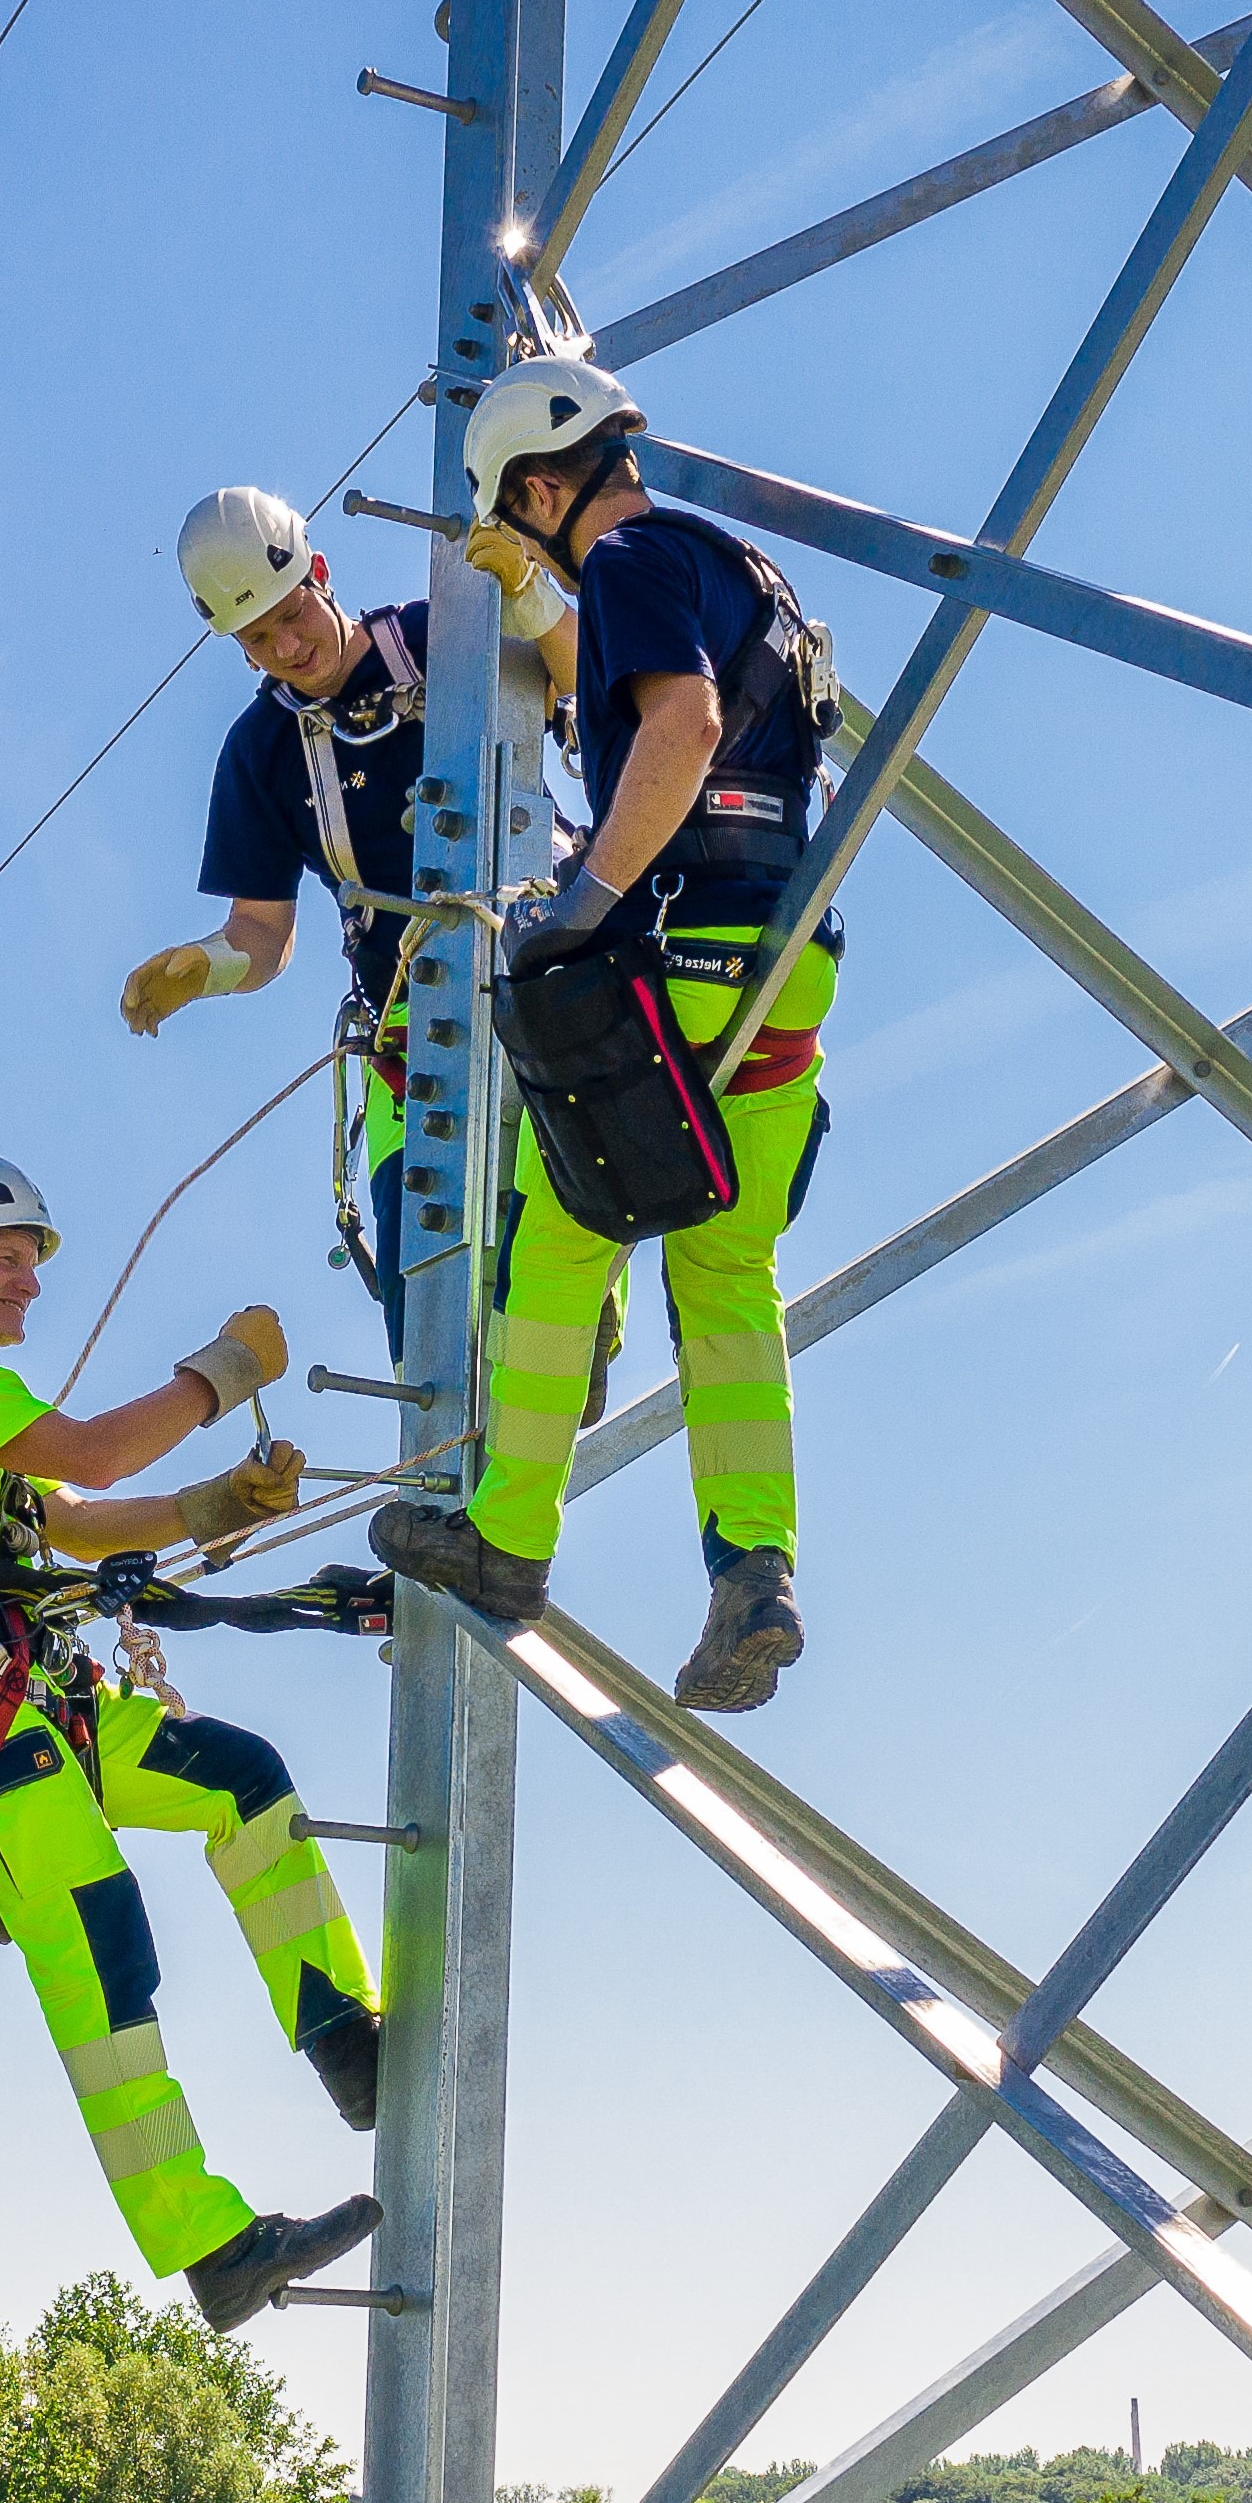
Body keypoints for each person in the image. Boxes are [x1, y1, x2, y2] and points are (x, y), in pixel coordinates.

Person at [0, 1152, 387, 2335]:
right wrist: (222, 1372)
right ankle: (207, 2240)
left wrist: (209, 1507)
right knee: (95, 1933)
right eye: (5, 1256)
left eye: (28, 1261)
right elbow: (94, 1458)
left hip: (28, 1690)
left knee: (241, 1778)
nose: (27, 1281)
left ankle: (343, 2035)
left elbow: (65, 1521)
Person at [371, 355, 845, 1713]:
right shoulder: (739, 568)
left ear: (532, 487)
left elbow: (681, 725)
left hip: (675, 954)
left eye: (519, 526)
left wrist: (580, 901)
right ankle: (754, 1567)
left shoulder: (634, 557)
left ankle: (507, 1538)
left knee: (560, 1229)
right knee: (725, 1265)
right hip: (785, 966)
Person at [126, 487, 574, 1349]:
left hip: (544, 974)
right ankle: (441, 1466)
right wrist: (205, 967)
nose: (288, 648)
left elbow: (585, 673)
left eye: (294, 615)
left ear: (320, 572)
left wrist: (531, 595)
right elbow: (262, 934)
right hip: (410, 1029)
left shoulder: (452, 633)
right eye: (258, 639)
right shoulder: (260, 753)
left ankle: (568, 1358)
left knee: (553, 1255)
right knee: (425, 1299)